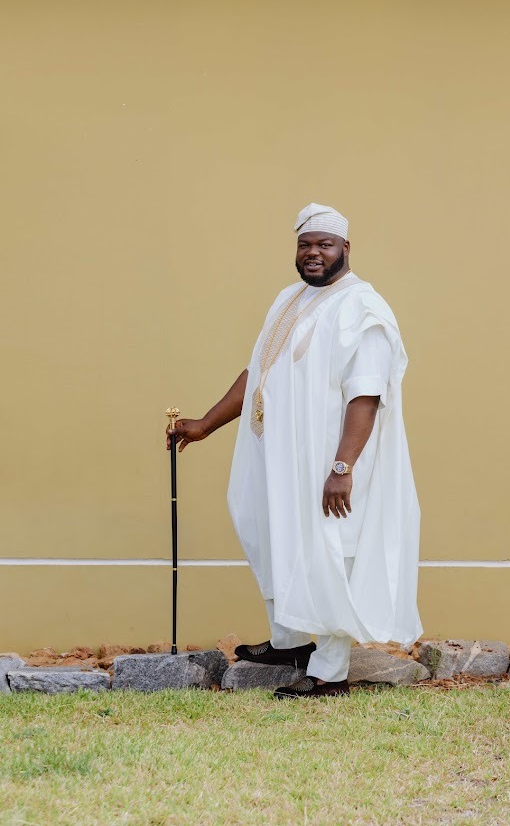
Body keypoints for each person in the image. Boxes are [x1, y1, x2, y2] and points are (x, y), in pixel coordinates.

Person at [166, 202, 423, 699]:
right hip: (278, 457)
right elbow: (258, 371)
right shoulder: (290, 299)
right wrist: (204, 425)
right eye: (305, 244)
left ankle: (329, 671)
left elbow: (366, 395)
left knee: (326, 552)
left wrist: (342, 467)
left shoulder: (363, 309)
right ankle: (289, 642)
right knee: (269, 533)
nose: (313, 253)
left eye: (324, 244)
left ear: (345, 248)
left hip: (328, 461)